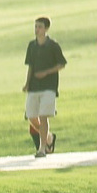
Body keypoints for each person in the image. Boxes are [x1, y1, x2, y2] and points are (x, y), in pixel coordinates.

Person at [24, 17, 67, 156]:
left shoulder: (53, 45)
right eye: (35, 27)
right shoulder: (32, 45)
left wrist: (46, 73)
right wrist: (27, 83)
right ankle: (49, 137)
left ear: (46, 28)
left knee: (43, 116)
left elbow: (61, 64)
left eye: (40, 27)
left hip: (49, 86)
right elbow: (30, 66)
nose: (37, 30)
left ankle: (42, 148)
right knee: (31, 117)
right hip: (34, 86)